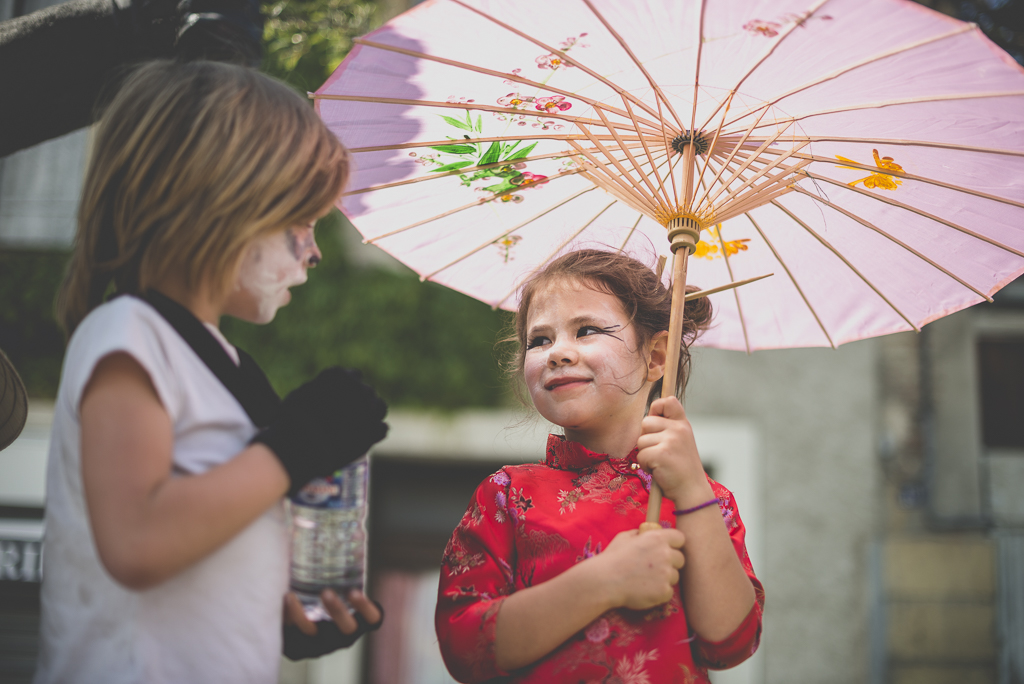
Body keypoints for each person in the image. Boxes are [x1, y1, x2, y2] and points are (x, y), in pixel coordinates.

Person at [35, 60, 385, 684]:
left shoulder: (219, 363)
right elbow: (139, 542)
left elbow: (197, 544)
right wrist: (294, 448)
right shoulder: (129, 336)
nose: (314, 249)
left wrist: (278, 614)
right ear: (221, 206)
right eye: (298, 222)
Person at [435, 249, 764, 683]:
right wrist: (605, 581)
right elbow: (464, 648)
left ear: (657, 357)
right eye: (540, 340)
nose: (557, 353)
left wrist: (692, 493)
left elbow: (731, 643)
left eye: (585, 330)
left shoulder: (706, 499)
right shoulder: (507, 494)